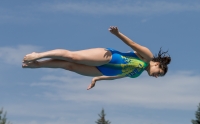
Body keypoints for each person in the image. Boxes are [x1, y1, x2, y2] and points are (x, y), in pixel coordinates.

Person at [22, 26, 171, 90]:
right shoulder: (147, 57)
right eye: (159, 72)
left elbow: (117, 77)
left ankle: (37, 64)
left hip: (100, 71)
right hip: (108, 58)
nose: (156, 76)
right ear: (157, 63)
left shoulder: (138, 73)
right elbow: (132, 44)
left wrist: (97, 79)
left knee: (68, 66)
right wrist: (117, 34)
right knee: (73, 57)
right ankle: (39, 55)